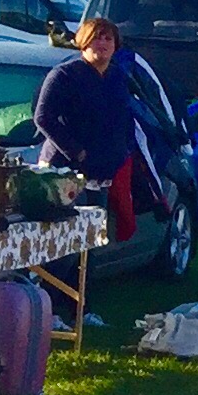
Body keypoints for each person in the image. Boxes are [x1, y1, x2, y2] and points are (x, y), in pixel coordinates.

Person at [32, 16, 145, 241]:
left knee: (91, 241)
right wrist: (76, 151)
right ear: (83, 42)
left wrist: (123, 151)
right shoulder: (64, 75)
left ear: (115, 45)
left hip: (102, 174)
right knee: (65, 241)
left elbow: (125, 117)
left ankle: (85, 277)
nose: (102, 44)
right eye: (96, 38)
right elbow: (43, 117)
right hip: (64, 173)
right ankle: (53, 278)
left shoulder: (118, 77)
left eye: (108, 39)